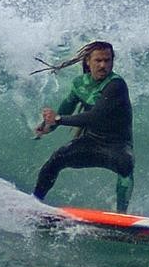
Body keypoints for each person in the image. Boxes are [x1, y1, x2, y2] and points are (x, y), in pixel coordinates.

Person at [32, 41, 134, 212]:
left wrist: (57, 119)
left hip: (117, 146)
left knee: (126, 166)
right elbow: (66, 108)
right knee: (57, 158)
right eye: (98, 60)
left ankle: (122, 217)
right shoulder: (80, 84)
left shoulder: (116, 85)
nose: (103, 65)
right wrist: (47, 127)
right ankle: (34, 202)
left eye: (107, 61)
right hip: (91, 142)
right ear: (88, 61)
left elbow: (94, 117)